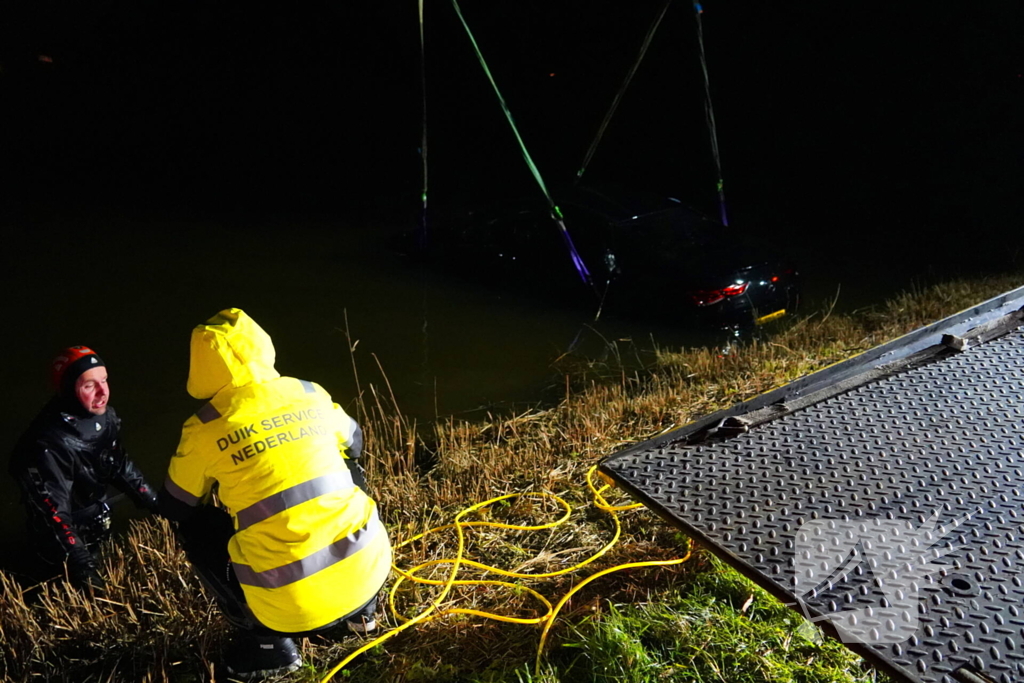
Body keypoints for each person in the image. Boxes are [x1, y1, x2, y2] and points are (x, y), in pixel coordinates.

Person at [158, 308, 392, 680]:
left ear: (200, 367)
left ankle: (269, 646)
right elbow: (356, 442)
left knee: (195, 526)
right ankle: (363, 616)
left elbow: (175, 504)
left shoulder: (203, 427)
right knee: (347, 466)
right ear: (261, 345)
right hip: (371, 568)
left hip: (287, 606)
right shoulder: (309, 392)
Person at [9, 346, 159, 591]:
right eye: (89, 386)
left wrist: (154, 501)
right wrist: (81, 564)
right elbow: (53, 516)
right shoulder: (46, 445)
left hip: (97, 518)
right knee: (57, 586)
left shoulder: (105, 416)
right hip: (61, 541)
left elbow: (117, 463)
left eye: (104, 381)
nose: (102, 392)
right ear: (69, 390)